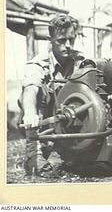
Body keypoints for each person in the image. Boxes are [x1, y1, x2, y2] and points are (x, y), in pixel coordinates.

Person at [18, 13, 83, 175]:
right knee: (39, 171)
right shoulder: (38, 64)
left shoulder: (79, 62)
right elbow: (30, 89)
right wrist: (30, 113)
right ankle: (34, 150)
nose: (68, 45)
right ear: (50, 40)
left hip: (66, 125)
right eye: (61, 40)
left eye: (71, 39)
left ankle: (62, 150)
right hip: (41, 125)